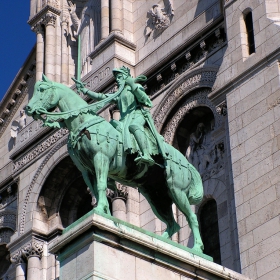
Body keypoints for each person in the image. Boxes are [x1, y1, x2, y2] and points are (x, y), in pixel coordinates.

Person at [76, 66, 157, 166]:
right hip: (124, 119)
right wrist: (85, 91)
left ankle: (146, 154)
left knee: (134, 126)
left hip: (137, 114)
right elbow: (102, 97)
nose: (117, 80)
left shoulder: (136, 86)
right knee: (111, 128)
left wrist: (132, 84)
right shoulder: (118, 94)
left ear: (125, 77)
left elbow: (146, 101)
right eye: (116, 78)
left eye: (119, 77)